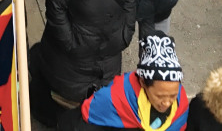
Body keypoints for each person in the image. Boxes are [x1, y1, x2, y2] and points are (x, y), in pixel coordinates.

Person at [31, 0, 137, 117]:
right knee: (62, 103)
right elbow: (56, 8)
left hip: (109, 52)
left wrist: (126, 32)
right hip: (72, 57)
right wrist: (70, 42)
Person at [56, 35, 187, 131]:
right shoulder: (115, 97)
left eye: (173, 96)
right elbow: (83, 122)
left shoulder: (181, 105)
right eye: (159, 96)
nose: (167, 103)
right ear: (142, 82)